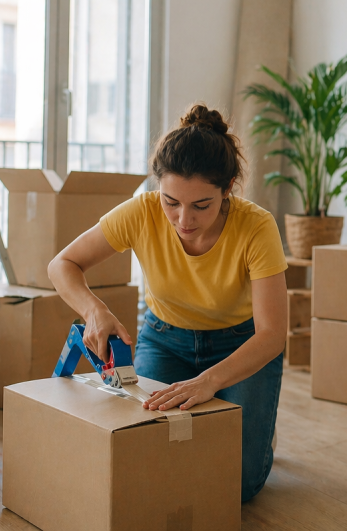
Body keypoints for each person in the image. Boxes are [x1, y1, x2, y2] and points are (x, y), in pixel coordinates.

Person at [49, 104, 288, 502]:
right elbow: (62, 265)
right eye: (171, 201)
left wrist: (209, 381)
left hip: (241, 345)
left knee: (237, 485)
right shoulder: (141, 212)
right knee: (144, 454)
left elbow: (272, 334)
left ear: (228, 188)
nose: (183, 220)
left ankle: (256, 423)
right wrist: (94, 310)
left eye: (201, 205)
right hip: (166, 341)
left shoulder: (257, 226)